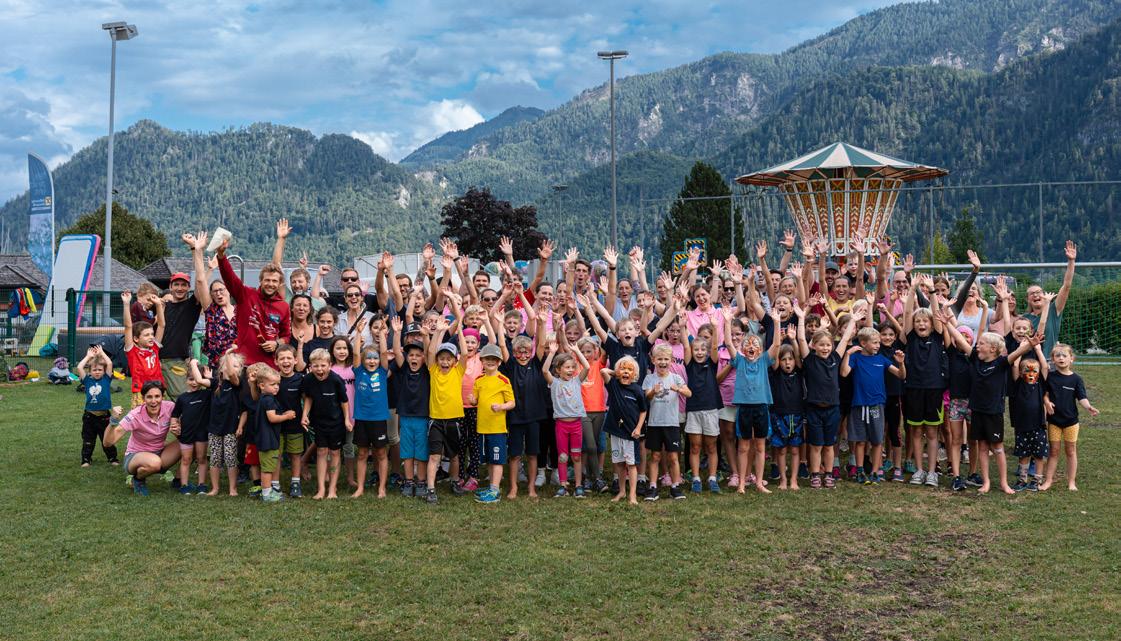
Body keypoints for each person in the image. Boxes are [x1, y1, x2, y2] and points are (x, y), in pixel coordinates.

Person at [795, 305, 861, 489]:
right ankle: (815, 474)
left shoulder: (835, 358)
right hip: (814, 409)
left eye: (828, 345)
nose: (825, 348)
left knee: (829, 445)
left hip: (833, 408)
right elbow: (801, 338)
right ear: (814, 346)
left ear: (832, 346)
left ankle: (829, 474)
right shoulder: (810, 360)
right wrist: (801, 317)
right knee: (816, 445)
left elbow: (845, 338)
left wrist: (853, 320)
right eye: (821, 345)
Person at [840, 327, 906, 484]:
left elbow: (901, 375)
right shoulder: (855, 358)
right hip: (859, 405)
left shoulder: (882, 359)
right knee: (860, 441)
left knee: (877, 441)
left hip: (877, 405)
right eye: (875, 343)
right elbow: (844, 373)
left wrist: (901, 363)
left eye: (878, 343)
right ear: (863, 343)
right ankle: (860, 471)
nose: (878, 346)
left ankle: (876, 472)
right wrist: (847, 354)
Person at [215, 233, 291, 367]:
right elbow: (229, 277)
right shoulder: (246, 295)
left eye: (274, 281)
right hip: (244, 363)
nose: (270, 284)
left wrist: (276, 343)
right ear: (260, 281)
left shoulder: (284, 306)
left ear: (280, 284)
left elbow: (286, 336)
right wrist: (221, 256)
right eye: (267, 280)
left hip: (269, 366)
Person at [901, 278, 948, 488]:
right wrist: (912, 289)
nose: (921, 324)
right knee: (916, 432)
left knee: (931, 432)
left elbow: (936, 314)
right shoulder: (910, 337)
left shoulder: (937, 337)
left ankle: (932, 472)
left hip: (934, 389)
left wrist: (931, 292)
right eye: (918, 321)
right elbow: (907, 314)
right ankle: (919, 470)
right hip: (913, 389)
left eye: (925, 321)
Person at [103, 381, 178, 497]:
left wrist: (178, 431)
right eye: (149, 397)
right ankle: (137, 479)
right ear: (143, 398)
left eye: (157, 396)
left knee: (189, 443)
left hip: (159, 452)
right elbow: (108, 443)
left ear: (163, 397)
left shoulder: (170, 407)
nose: (153, 401)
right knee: (155, 463)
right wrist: (113, 420)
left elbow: (183, 430)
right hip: (135, 456)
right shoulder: (135, 415)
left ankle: (179, 481)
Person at [1041, 343, 1099, 491]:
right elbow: (1045, 394)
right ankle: (1048, 481)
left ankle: (1071, 482)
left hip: (1071, 422)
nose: (1061, 358)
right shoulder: (1050, 377)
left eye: (1064, 355)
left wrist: (1088, 407)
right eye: (1057, 356)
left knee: (1071, 451)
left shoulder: (1076, 379)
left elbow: (1082, 397)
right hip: (1054, 421)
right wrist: (1047, 403)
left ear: (1071, 359)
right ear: (1053, 359)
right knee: (1053, 451)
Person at [425, 313, 468, 505]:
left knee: (454, 455)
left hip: (454, 420)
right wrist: (439, 332)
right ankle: (430, 488)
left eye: (448, 359)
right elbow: (431, 352)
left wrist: (460, 332)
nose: (444, 362)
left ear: (454, 361)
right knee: (434, 455)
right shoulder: (433, 370)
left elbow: (465, 354)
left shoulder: (458, 371)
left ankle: (454, 481)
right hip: (435, 420)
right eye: (441, 358)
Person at [301, 348, 351, 499]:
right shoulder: (308, 379)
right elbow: (308, 398)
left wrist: (347, 419)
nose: (319, 369)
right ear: (310, 366)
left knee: (335, 452)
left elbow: (344, 402)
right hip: (318, 421)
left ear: (329, 365)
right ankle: (321, 488)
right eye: (315, 366)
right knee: (321, 451)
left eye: (323, 365)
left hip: (336, 422)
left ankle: (332, 489)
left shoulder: (336, 380)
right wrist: (305, 414)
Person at [642, 343, 690, 500]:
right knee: (655, 456)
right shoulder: (649, 378)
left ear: (671, 361)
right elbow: (646, 397)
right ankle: (653, 487)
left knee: (673, 457)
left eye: (666, 359)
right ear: (653, 360)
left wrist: (679, 389)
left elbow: (689, 393)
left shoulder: (676, 378)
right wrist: (652, 392)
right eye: (659, 359)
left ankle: (675, 487)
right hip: (655, 423)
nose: (663, 362)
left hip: (672, 424)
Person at [542, 341, 591, 498]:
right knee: (562, 456)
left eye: (572, 367)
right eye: (567, 367)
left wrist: (577, 351)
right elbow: (544, 370)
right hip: (561, 425)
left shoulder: (577, 381)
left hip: (576, 425)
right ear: (558, 370)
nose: (570, 370)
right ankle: (563, 486)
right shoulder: (554, 383)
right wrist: (551, 353)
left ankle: (578, 486)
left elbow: (587, 367)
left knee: (576, 456)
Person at [469, 343, 515, 504]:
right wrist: (473, 400)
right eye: (487, 359)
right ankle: (491, 487)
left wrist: (501, 407)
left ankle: (495, 491)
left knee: (497, 459)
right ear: (482, 360)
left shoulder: (503, 380)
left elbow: (512, 402)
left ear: (499, 362)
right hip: (482, 427)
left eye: (494, 359)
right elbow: (476, 400)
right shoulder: (479, 380)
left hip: (497, 428)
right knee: (489, 459)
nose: (490, 362)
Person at [391, 320, 431, 498]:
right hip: (406, 416)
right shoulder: (404, 369)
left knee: (421, 452)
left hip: (423, 416)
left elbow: (429, 352)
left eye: (418, 355)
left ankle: (421, 481)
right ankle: (408, 481)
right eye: (411, 355)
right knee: (407, 451)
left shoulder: (427, 370)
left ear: (423, 357)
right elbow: (397, 353)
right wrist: (396, 333)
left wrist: (425, 336)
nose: (414, 358)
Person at [601, 356, 648, 505]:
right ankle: (622, 492)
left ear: (635, 374)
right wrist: (616, 373)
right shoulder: (613, 385)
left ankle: (632, 495)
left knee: (631, 464)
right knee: (620, 463)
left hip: (631, 433)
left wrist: (638, 428)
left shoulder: (637, 390)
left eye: (629, 369)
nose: (626, 372)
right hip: (616, 432)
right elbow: (603, 371)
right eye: (623, 369)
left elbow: (643, 411)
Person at [352, 325, 392, 499]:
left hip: (378, 418)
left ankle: (382, 488)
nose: (372, 361)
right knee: (362, 453)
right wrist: (358, 333)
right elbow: (355, 354)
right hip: (362, 418)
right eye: (368, 358)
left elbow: (383, 353)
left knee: (381, 453)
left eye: (374, 358)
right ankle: (360, 487)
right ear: (363, 360)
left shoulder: (382, 372)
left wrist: (382, 334)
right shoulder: (359, 371)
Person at [683, 327, 723, 494]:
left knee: (711, 446)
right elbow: (686, 345)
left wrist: (714, 327)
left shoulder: (711, 364)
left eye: (702, 350)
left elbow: (714, 346)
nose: (699, 352)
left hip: (711, 409)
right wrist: (683, 326)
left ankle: (712, 478)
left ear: (707, 352)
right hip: (694, 410)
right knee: (695, 446)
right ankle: (696, 479)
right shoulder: (689, 364)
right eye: (696, 350)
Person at [1009, 343, 1049, 492]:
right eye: (1027, 370)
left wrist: (1038, 349)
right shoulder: (1018, 383)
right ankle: (1022, 479)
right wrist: (1022, 348)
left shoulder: (1040, 384)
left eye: (1034, 371)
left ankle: (1037, 479)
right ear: (1020, 373)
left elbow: (1045, 367)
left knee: (1038, 455)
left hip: (1038, 425)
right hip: (1022, 426)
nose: (1031, 374)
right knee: (1023, 454)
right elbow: (1015, 365)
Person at [253, 366, 296, 503]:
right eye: (273, 384)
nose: (276, 387)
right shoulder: (269, 399)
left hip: (265, 438)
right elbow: (272, 418)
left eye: (278, 384)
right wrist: (287, 416)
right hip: (268, 440)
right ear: (262, 385)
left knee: (268, 466)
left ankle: (267, 491)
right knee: (268, 468)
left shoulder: (264, 398)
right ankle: (267, 494)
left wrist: (282, 414)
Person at [170, 359, 212, 494]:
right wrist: (174, 424)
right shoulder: (182, 398)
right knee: (186, 459)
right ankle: (184, 485)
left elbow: (214, 385)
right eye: (191, 379)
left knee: (201, 459)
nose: (194, 383)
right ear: (186, 380)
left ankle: (201, 485)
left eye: (196, 380)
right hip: (186, 434)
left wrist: (209, 378)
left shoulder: (207, 394)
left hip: (202, 433)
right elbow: (175, 414)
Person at [206, 352, 244, 496]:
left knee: (230, 458)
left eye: (235, 366)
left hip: (230, 428)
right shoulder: (216, 383)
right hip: (214, 427)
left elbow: (232, 374)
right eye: (228, 365)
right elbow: (198, 380)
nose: (231, 368)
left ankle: (232, 488)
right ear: (221, 370)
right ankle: (215, 488)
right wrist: (192, 363)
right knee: (215, 458)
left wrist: (227, 355)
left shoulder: (237, 384)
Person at [121, 290, 166, 408]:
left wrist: (158, 305)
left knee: (158, 416)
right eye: (146, 335)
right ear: (136, 339)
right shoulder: (132, 351)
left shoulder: (154, 348)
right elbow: (128, 327)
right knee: (140, 418)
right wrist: (126, 304)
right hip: (140, 392)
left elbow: (161, 325)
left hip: (158, 390)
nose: (151, 337)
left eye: (152, 334)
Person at [76, 345, 119, 467]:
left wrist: (101, 353)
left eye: (100, 369)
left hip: (104, 417)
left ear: (104, 371)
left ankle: (112, 458)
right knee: (88, 440)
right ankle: (86, 460)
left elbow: (109, 363)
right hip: (89, 417)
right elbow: (79, 367)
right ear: (90, 372)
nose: (97, 372)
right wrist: (88, 356)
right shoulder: (87, 380)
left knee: (107, 438)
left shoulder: (106, 379)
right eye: (94, 370)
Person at [274, 344, 306, 497]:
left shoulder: (300, 379)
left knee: (295, 454)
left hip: (295, 423)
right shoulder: (273, 378)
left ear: (295, 360)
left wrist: (305, 416)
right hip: (275, 424)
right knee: (276, 455)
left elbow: (306, 399)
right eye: (282, 359)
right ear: (276, 361)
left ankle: (295, 483)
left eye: (289, 358)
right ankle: (275, 484)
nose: (286, 361)